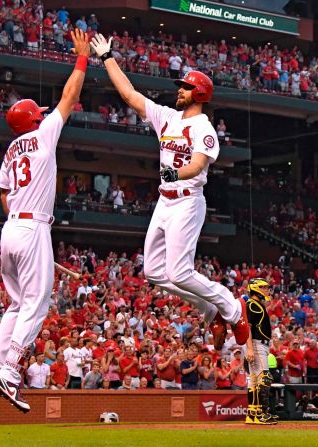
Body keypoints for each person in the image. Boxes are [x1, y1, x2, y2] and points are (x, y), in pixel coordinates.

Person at [89, 33, 250, 354]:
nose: (180, 89)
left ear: (200, 92)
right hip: (165, 201)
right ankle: (211, 313)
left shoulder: (204, 127)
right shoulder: (168, 117)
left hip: (188, 201)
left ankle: (233, 309)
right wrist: (108, 58)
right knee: (154, 272)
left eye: (186, 86)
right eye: (182, 85)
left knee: (180, 272)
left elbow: (200, 164)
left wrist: (176, 172)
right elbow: (130, 95)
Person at [0, 29, 92, 413]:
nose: (45, 115)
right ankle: (10, 368)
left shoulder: (12, 148)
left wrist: (18, 218)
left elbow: (3, 195)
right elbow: (69, 97)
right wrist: (82, 59)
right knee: (36, 305)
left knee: (16, 305)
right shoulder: (43, 135)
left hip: (11, 226)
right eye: (39, 114)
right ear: (33, 119)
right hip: (32, 228)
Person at [243, 278, 278, 425]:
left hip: (258, 344)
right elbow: (247, 328)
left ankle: (252, 413)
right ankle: (260, 413)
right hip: (257, 345)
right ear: (255, 288)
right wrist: (250, 348)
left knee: (254, 381)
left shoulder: (256, 304)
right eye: (263, 287)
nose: (267, 290)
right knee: (263, 379)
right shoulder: (252, 304)